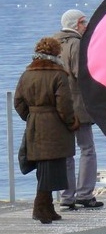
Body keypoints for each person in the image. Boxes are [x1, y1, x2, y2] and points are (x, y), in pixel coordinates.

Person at [14, 37, 77, 224]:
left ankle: (48, 208)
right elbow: (64, 104)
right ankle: (40, 208)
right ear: (56, 53)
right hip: (54, 126)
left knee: (43, 167)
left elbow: (18, 102)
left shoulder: (27, 74)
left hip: (34, 124)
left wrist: (31, 116)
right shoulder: (58, 74)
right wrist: (72, 122)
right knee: (52, 166)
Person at [55, 9, 103, 210]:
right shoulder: (77, 44)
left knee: (66, 152)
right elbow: (81, 74)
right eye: (84, 22)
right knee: (87, 150)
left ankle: (66, 196)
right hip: (78, 107)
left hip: (58, 106)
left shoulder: (54, 42)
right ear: (76, 24)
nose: (86, 26)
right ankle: (85, 193)